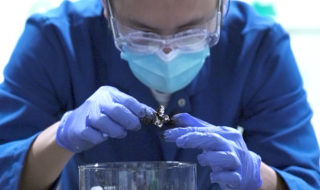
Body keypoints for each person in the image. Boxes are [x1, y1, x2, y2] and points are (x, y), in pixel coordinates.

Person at [0, 0, 319, 189]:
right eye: (143, 34)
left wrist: (259, 177)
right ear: (106, 10)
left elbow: (305, 180)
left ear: (222, 6)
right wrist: (59, 138)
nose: (167, 53)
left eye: (192, 31)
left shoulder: (259, 45)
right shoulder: (55, 39)